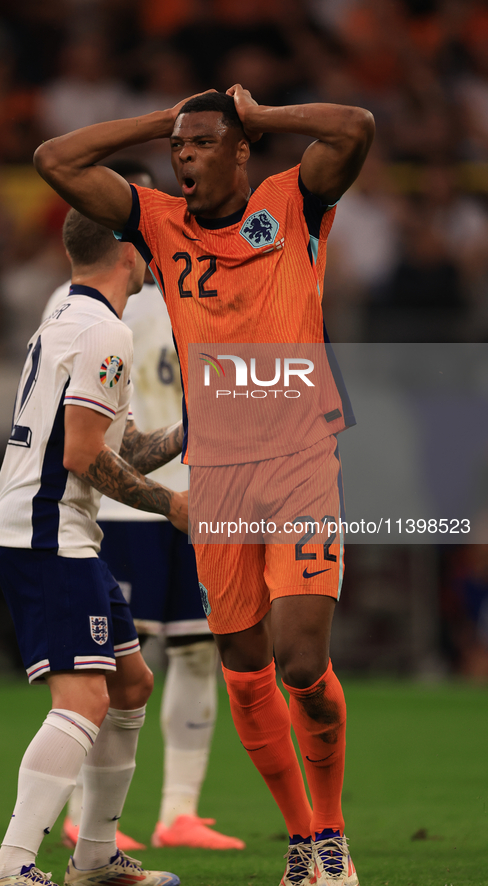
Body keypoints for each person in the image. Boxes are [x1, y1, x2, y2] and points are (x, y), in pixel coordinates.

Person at [34, 87, 375, 886]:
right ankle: (301, 843)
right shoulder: (156, 220)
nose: (183, 157)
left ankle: (331, 831)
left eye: (200, 143)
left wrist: (264, 117)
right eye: (177, 147)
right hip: (215, 475)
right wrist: (160, 121)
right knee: (242, 659)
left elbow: (354, 126)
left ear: (239, 150)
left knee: (299, 664)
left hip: (299, 462)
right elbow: (55, 160)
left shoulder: (290, 204)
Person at [0, 207, 188, 886]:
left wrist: (191, 431)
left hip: (57, 530)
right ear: (129, 250)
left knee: (131, 684)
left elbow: (120, 445)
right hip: (47, 533)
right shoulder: (106, 330)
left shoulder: (72, 317)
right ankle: (12, 865)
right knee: (84, 701)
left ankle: (95, 856)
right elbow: (80, 453)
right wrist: (172, 506)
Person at [44, 159, 244, 852]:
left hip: (196, 493)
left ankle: (178, 813)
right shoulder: (89, 303)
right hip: (125, 504)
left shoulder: (199, 289)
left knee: (194, 652)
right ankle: (81, 812)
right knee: (114, 664)